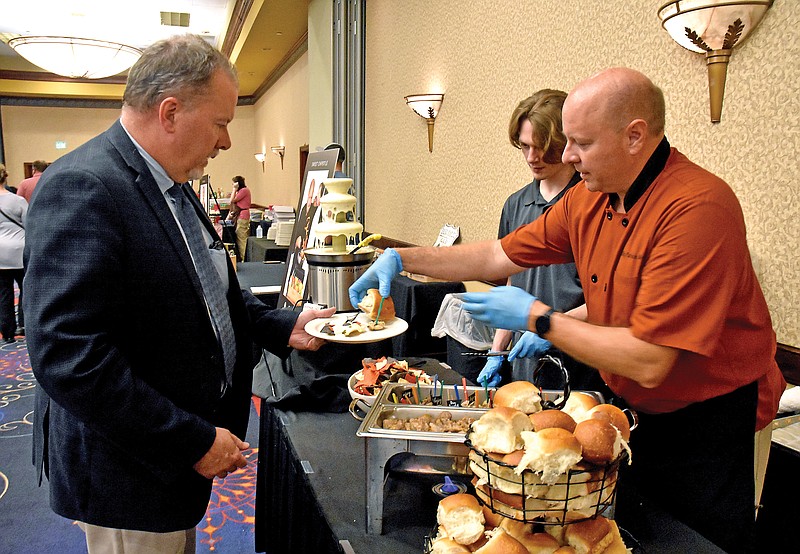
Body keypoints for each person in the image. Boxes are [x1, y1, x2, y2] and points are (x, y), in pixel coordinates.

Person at [349, 67, 785, 553]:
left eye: (580, 142)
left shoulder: (697, 207)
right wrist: (399, 258)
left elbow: (651, 358)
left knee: (694, 541)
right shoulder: (588, 198)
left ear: (635, 136)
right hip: (631, 408)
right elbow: (499, 255)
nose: (568, 156)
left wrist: (539, 319)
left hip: (704, 420)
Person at [24, 34, 334, 553]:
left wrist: (283, 325)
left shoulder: (170, 183)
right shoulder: (85, 185)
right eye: (221, 123)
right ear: (170, 113)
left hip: (168, 461)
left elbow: (210, 290)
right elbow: (68, 356)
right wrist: (189, 440)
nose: (227, 142)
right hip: (129, 468)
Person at [479, 89, 590, 391]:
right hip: (524, 367)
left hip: (578, 366)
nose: (532, 158)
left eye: (541, 148)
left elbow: (607, 302)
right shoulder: (516, 205)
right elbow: (513, 287)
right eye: (525, 146)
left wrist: (550, 328)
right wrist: (497, 350)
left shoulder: (592, 204)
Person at [0, 181, 26, 343]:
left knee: (4, 293)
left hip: (0, 253)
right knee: (26, 289)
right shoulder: (17, 201)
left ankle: (7, 330)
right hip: (19, 251)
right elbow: (29, 222)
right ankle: (24, 325)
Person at [227, 175, 251, 261]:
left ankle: (244, 258)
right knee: (240, 236)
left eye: (234, 183)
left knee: (241, 237)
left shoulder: (244, 190)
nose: (232, 185)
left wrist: (234, 189)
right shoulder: (242, 191)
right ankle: (242, 257)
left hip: (243, 215)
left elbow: (232, 200)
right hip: (240, 215)